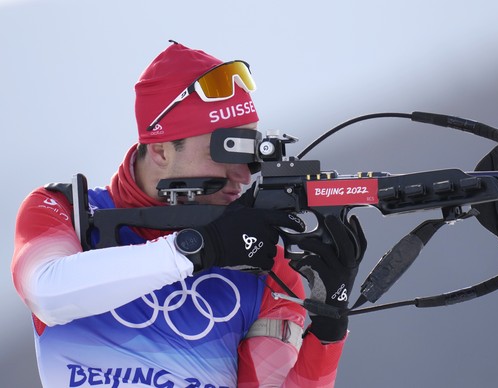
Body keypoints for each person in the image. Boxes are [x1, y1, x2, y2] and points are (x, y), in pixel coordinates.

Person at [11, 41, 367, 387]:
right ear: (162, 151)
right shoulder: (66, 209)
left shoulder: (265, 267)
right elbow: (47, 294)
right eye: (226, 151)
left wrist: (327, 328)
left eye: (251, 154)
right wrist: (199, 248)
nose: (243, 176)